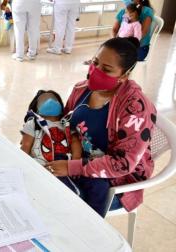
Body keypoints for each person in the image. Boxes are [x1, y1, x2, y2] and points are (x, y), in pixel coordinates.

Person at [48, 37, 156, 217]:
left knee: (57, 199)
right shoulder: (81, 89)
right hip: (77, 158)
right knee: (39, 169)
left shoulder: (136, 109)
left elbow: (123, 164)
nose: (96, 71)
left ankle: (86, 234)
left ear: (124, 74)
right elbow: (66, 124)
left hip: (114, 183)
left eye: (106, 69)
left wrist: (72, 167)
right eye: (95, 62)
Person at [20, 90, 82, 193]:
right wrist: (24, 166)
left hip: (64, 164)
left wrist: (75, 160)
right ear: (36, 109)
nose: (49, 100)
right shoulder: (33, 123)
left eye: (53, 99)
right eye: (43, 100)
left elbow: (75, 141)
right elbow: (25, 146)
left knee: (66, 188)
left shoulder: (67, 123)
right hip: (41, 164)